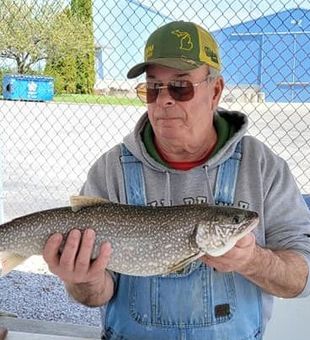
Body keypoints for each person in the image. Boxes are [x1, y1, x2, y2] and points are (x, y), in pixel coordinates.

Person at [43, 21, 310, 339]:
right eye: (153, 88)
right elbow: (95, 295)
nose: (164, 100)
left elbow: (301, 279)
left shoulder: (263, 167)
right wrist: (82, 280)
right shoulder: (110, 169)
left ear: (215, 91)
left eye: (181, 87)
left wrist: (253, 260)